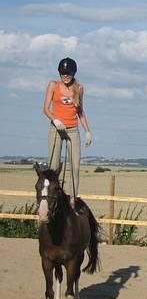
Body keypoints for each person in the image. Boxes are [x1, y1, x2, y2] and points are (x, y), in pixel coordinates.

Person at [42, 57, 92, 209]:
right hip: (56, 129)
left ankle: (72, 199)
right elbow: (45, 108)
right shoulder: (53, 85)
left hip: (72, 130)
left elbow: (80, 112)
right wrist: (55, 120)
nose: (65, 75)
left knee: (75, 166)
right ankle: (52, 198)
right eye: (62, 72)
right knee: (54, 165)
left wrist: (87, 131)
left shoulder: (79, 88)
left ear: (73, 73)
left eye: (68, 72)